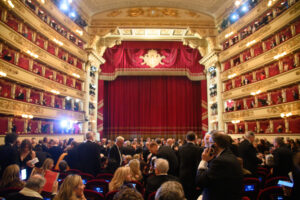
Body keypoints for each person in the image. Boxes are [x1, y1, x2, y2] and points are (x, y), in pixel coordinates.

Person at [196, 131, 243, 200]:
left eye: (209, 143)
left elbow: (200, 181)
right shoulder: (229, 155)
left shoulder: (220, 161)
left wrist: (204, 161)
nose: (207, 146)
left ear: (215, 145)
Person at [178, 131, 202, 200]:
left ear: (186, 139)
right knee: (193, 196)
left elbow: (178, 163)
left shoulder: (180, 148)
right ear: (195, 139)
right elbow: (199, 165)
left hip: (183, 176)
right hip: (194, 177)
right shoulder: (199, 149)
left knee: (184, 195)